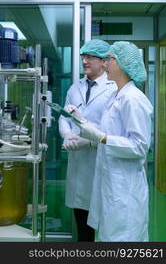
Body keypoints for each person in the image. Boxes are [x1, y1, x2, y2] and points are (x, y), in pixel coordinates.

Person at [68, 41, 153, 242]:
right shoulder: (116, 96)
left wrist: (102, 138)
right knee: (109, 237)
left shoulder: (133, 99)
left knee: (124, 239)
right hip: (111, 183)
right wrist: (82, 121)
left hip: (124, 187)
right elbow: (108, 130)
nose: (105, 64)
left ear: (122, 64)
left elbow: (140, 146)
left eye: (109, 59)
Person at [58, 39, 117, 241]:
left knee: (106, 224)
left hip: (101, 160)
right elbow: (64, 116)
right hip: (78, 162)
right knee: (82, 224)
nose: (85, 61)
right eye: (84, 56)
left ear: (103, 62)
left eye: (90, 57)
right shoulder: (75, 88)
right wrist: (67, 134)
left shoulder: (113, 89)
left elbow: (112, 127)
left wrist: (90, 141)